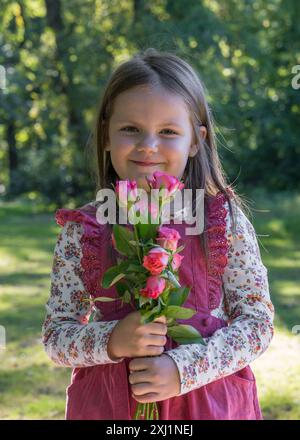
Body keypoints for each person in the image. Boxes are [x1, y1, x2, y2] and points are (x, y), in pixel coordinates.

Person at [42, 48, 274, 420]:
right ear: (105, 135)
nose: (148, 145)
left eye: (168, 131)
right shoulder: (81, 230)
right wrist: (112, 341)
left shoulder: (221, 219)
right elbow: (56, 337)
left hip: (207, 404)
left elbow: (257, 323)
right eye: (130, 128)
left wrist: (184, 369)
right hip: (108, 407)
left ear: (195, 141)